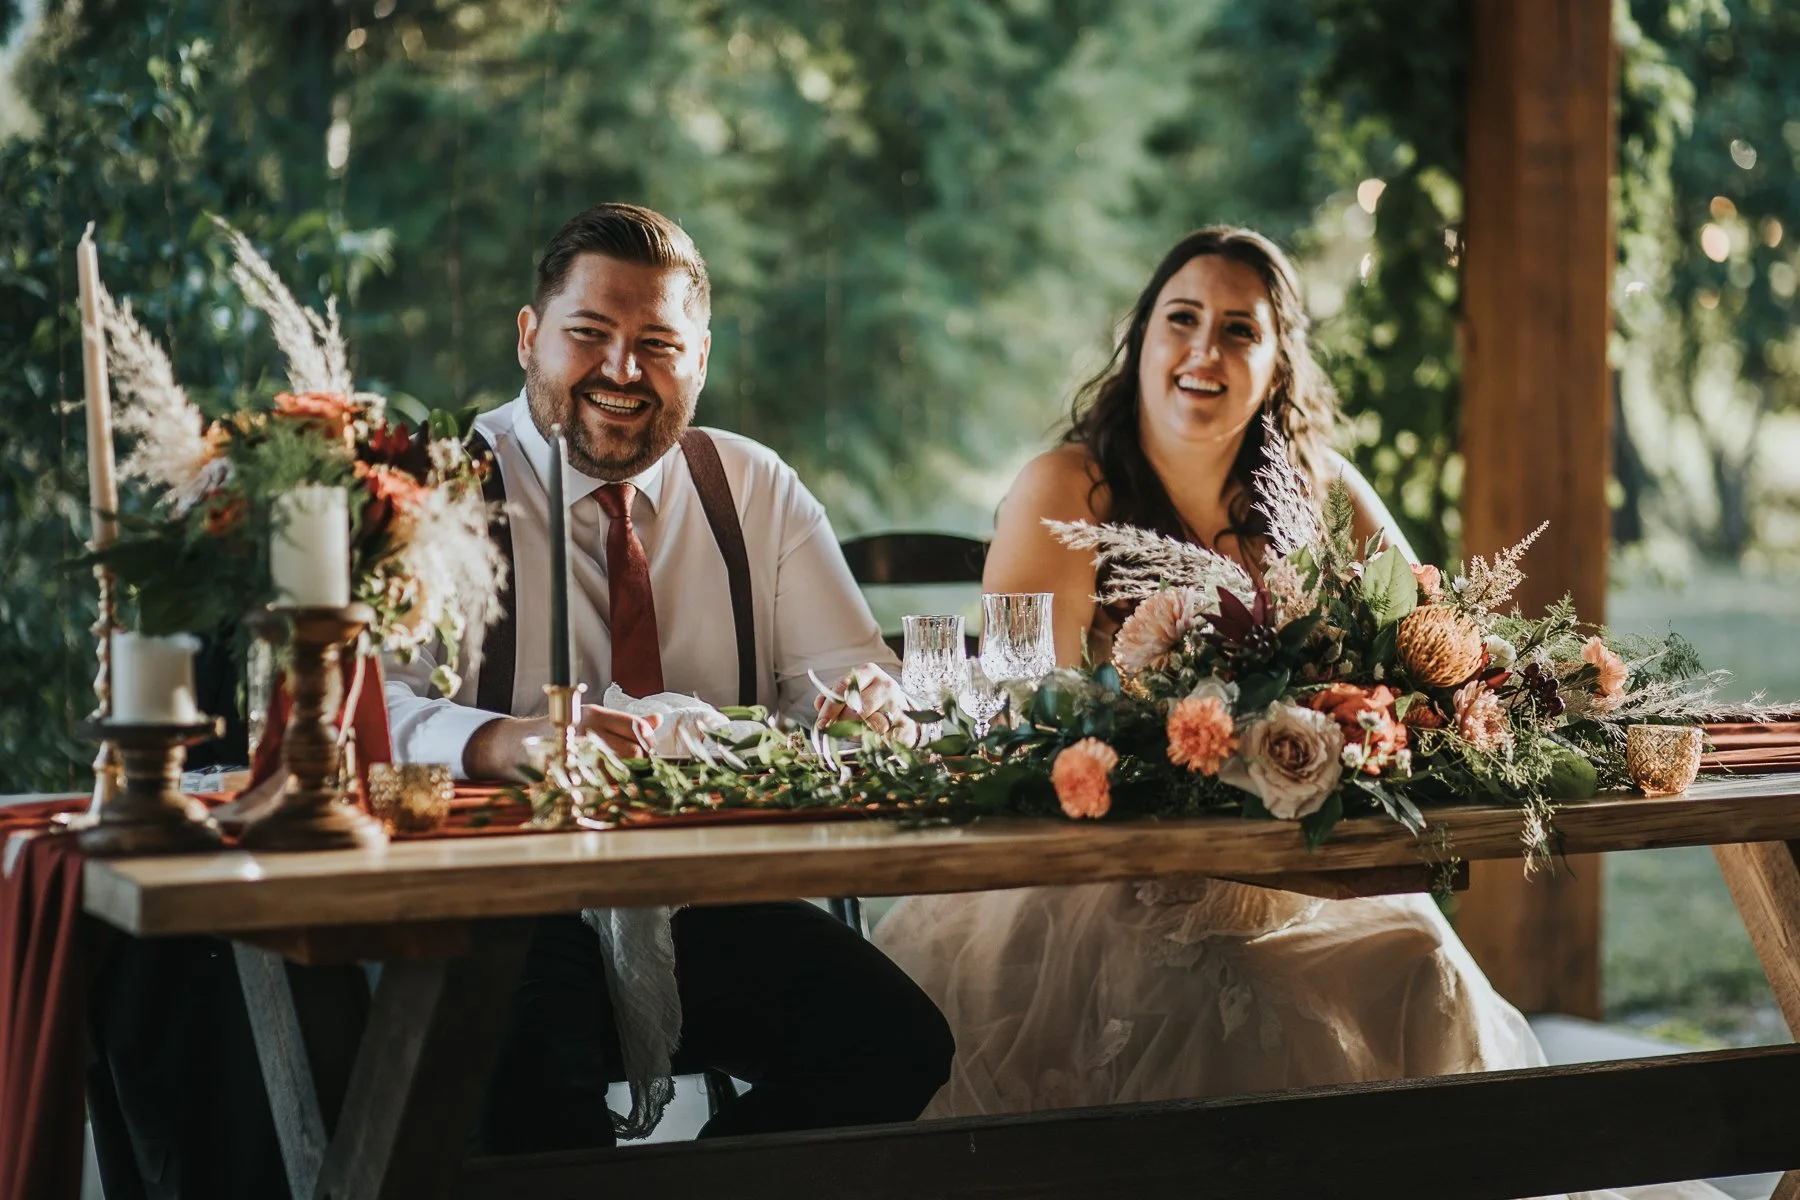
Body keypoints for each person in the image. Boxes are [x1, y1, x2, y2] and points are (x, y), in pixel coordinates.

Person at [870, 227, 1724, 1200]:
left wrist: (1459, 698)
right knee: (1239, 1006)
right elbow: (1034, 715)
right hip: (1105, 878)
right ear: (1141, 339)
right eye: (1180, 320)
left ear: (1277, 364)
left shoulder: (1317, 488)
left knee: (1423, 967)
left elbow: (1433, 644)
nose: (1203, 351)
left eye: (1240, 330)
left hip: (1298, 865)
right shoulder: (1068, 490)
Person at [385, 201, 951, 1152]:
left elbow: (848, 676)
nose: (621, 370)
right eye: (590, 335)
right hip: (502, 906)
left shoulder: (754, 487)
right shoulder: (433, 485)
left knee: (893, 1044)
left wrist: (868, 704)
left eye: (656, 343)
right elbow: (367, 708)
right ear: (529, 336)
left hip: (708, 903)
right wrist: (500, 740)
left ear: (701, 356)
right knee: (535, 1100)